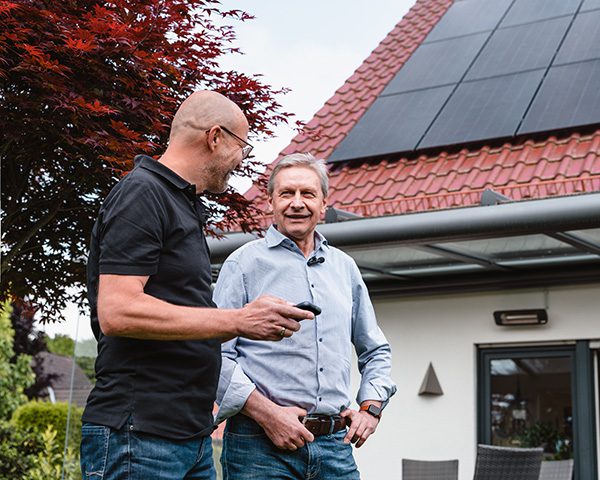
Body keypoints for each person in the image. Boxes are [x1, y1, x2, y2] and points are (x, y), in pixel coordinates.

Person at [80, 91, 313, 480]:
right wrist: (239, 320)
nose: (242, 159)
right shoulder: (143, 193)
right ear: (215, 137)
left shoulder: (181, 205)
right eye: (242, 145)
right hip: (140, 435)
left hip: (190, 436)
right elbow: (117, 311)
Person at [213, 153, 397, 479]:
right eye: (286, 193)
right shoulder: (242, 264)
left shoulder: (345, 268)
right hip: (259, 444)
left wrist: (371, 408)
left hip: (335, 447)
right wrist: (268, 414)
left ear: (323, 204)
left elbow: (376, 350)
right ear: (270, 202)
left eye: (308, 194)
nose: (297, 203)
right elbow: (214, 354)